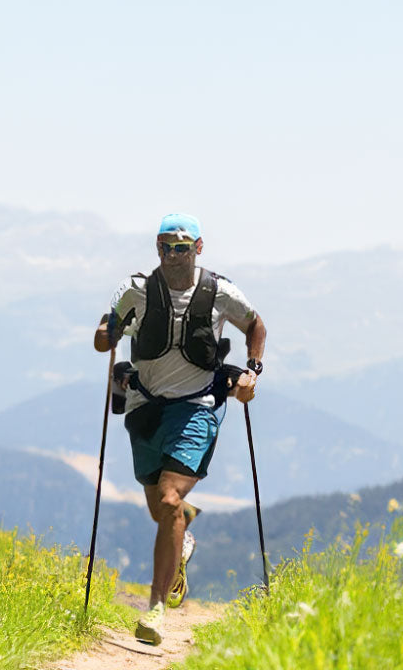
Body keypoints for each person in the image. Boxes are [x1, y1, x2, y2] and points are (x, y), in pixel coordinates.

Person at [93, 212, 266, 646]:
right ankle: (181, 540)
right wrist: (107, 332)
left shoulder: (219, 292)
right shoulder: (135, 290)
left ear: (199, 248)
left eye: (182, 247)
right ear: (157, 249)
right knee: (161, 511)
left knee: (169, 499)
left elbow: (256, 327)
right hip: (144, 406)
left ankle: (154, 612)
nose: (173, 254)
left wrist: (252, 372)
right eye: (166, 246)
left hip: (197, 407)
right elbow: (103, 335)